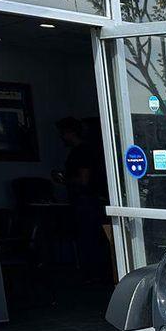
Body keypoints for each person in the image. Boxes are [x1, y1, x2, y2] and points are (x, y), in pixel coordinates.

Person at [54, 117, 110, 282]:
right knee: (91, 240)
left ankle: (95, 277)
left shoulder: (82, 152)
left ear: (70, 133)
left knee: (90, 241)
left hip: (87, 202)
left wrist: (64, 180)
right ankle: (96, 276)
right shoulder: (86, 151)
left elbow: (84, 180)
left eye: (63, 133)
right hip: (89, 201)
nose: (62, 137)